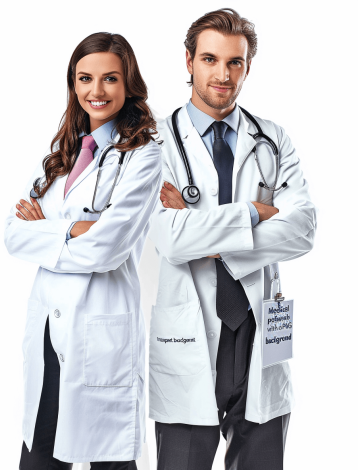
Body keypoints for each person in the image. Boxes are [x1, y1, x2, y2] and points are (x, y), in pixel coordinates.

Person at [148, 8, 316, 470]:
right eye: (209, 59)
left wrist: (203, 228)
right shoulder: (152, 143)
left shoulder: (273, 139)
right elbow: (170, 240)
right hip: (188, 332)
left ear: (247, 65)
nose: (223, 74)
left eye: (235, 62)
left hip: (261, 330)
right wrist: (251, 217)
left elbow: (303, 229)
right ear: (188, 61)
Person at [4, 32, 161, 469]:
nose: (97, 90)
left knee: (109, 459)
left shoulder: (144, 155)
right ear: (73, 85)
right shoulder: (60, 153)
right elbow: (13, 234)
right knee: (37, 459)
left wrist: (50, 231)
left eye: (110, 78)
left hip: (100, 336)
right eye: (85, 78)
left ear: (128, 83)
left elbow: (106, 250)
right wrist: (76, 228)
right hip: (48, 335)